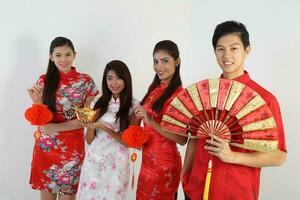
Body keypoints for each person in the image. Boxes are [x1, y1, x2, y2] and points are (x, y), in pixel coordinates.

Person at [182, 21, 287, 200]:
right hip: (195, 190)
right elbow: (193, 139)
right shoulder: (204, 93)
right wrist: (185, 177)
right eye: (220, 49)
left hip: (236, 192)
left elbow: (278, 156)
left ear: (247, 49)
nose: (226, 55)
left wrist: (232, 156)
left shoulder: (264, 100)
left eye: (234, 48)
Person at [27, 37, 99, 200]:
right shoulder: (43, 81)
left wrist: (56, 127)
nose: (63, 59)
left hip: (72, 149)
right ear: (51, 56)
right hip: (46, 147)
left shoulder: (85, 82)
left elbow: (88, 119)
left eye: (68, 54)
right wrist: (36, 102)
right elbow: (39, 120)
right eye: (58, 55)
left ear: (74, 55)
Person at [76, 60, 140, 200]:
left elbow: (129, 143)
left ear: (126, 79)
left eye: (118, 78)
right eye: (110, 78)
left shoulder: (134, 106)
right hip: (93, 161)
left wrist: (103, 127)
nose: (114, 83)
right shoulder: (97, 102)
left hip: (116, 165)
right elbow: (89, 140)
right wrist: (91, 126)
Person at [135, 40, 187, 200]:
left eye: (165, 61)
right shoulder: (155, 89)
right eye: (155, 62)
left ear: (177, 61)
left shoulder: (180, 95)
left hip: (165, 165)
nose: (159, 67)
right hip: (147, 160)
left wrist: (150, 121)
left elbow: (182, 139)